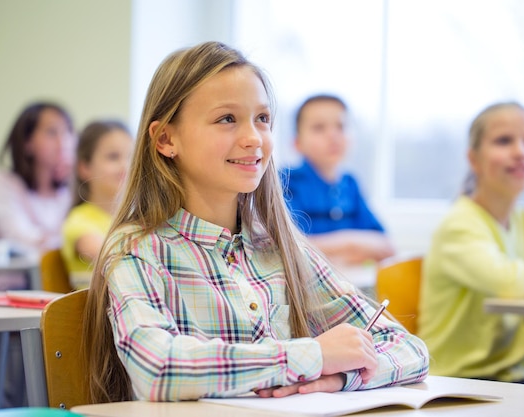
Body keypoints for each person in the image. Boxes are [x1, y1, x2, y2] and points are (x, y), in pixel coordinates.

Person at [83, 41, 428, 403]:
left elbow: (410, 349)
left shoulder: (279, 248)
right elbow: (160, 368)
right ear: (167, 139)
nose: (253, 138)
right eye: (227, 119)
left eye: (262, 119)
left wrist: (341, 377)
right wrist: (313, 356)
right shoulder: (137, 248)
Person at [418, 102, 524, 384]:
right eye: (504, 141)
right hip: (458, 382)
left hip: (513, 376)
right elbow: (511, 283)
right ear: (473, 158)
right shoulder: (459, 225)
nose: (521, 152)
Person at [281, 95, 394, 266]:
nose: (333, 135)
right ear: (297, 143)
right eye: (319, 128)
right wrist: (353, 244)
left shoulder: (350, 184)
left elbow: (385, 246)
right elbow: (289, 247)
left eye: (341, 126)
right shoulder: (286, 182)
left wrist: (331, 251)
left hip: (351, 285)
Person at [0, 101, 75, 290]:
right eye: (52, 132)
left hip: (61, 289)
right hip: (13, 290)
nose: (64, 142)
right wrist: (68, 240)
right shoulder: (2, 183)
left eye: (68, 132)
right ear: (27, 142)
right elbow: (20, 240)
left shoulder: (71, 190)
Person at [62, 120, 133, 289]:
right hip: (98, 313)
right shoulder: (79, 220)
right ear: (84, 167)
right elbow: (112, 258)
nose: (125, 166)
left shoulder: (133, 217)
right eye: (113, 157)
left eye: (131, 156)